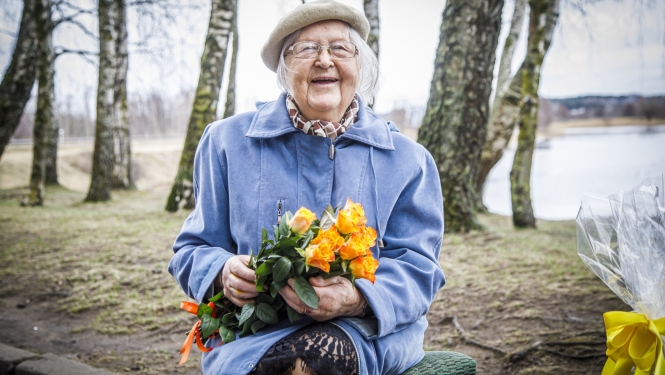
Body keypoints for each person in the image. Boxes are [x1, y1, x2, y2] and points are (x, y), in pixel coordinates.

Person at [169, 1, 445, 374]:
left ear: (360, 65)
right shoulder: (226, 143)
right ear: (285, 69)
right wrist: (223, 271)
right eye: (307, 49)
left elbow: (419, 269)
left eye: (340, 48)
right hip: (255, 332)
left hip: (367, 331)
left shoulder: (409, 160)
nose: (325, 60)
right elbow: (192, 249)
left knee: (314, 360)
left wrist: (358, 297)